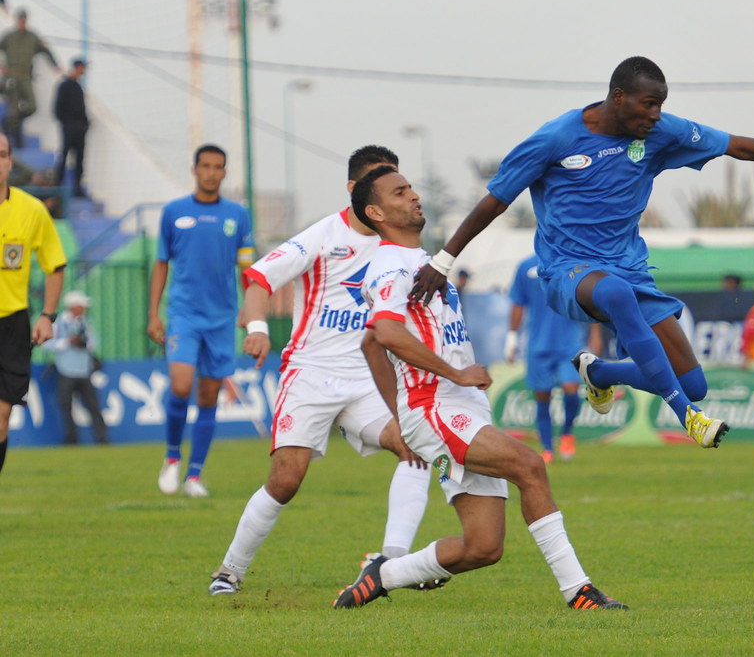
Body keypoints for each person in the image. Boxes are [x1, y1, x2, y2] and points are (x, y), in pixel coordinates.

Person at [410, 56, 754, 449]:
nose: (656, 114)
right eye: (649, 103)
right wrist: (443, 261)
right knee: (616, 297)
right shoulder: (556, 138)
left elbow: (738, 146)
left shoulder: (659, 133)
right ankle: (689, 418)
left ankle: (603, 373)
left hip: (631, 270)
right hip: (566, 270)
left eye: (661, 105)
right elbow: (495, 200)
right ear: (619, 98)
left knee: (694, 379)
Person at [334, 166, 624, 611]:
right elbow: (386, 333)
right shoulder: (389, 265)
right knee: (530, 465)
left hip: (457, 408)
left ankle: (383, 574)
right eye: (400, 192)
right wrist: (445, 384)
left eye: (412, 187)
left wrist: (402, 415)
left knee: (483, 547)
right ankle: (579, 592)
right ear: (375, 211)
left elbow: (371, 342)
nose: (414, 196)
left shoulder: (422, 261)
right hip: (438, 406)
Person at [208, 145, 437, 596]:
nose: (396, 195)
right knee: (286, 479)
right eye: (382, 184)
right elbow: (258, 279)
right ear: (357, 191)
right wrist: (255, 327)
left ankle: (389, 563)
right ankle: (229, 571)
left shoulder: (403, 247)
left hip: (367, 379)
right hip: (310, 374)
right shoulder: (323, 235)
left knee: (416, 446)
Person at [147, 144, 254, 498]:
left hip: (222, 318)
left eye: (218, 167)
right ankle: (173, 457)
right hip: (184, 314)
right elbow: (161, 262)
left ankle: (194, 476)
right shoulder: (174, 212)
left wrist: (249, 308)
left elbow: (247, 267)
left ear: (225, 173)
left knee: (209, 395)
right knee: (180, 385)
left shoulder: (237, 216)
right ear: (194, 170)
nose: (211, 172)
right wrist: (153, 314)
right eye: (205, 166)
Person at [0, 131, 66, 475]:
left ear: (10, 162)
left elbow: (54, 265)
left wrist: (47, 316)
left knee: (1, 419)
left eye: (1, 154)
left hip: (12, 325)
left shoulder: (31, 210)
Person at [506, 253, 600, 462]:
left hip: (570, 342)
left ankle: (566, 434)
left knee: (571, 389)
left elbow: (589, 299)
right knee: (542, 396)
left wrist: (595, 332)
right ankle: (547, 447)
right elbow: (518, 303)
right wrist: (511, 338)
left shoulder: (575, 263)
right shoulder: (526, 266)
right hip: (538, 344)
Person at [43, 289, 108, 444]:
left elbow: (94, 343)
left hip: (84, 370)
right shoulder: (59, 323)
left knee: (93, 406)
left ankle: (102, 438)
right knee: (66, 406)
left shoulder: (85, 323)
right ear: (73, 306)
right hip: (66, 370)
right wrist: (68, 342)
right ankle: (71, 439)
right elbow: (47, 345)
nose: (84, 308)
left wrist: (83, 343)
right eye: (81, 305)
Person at [0, 9, 60, 148]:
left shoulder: (33, 37)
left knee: (32, 107)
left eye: (24, 19)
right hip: (12, 76)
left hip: (26, 76)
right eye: (20, 19)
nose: (22, 22)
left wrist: (55, 65)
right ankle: (13, 139)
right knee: (14, 107)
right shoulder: (9, 37)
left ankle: (10, 121)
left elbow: (45, 51)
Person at [53, 58, 88, 198]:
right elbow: (57, 109)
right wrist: (67, 123)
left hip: (79, 128)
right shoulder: (65, 85)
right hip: (69, 127)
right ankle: (57, 185)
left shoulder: (78, 87)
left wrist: (84, 124)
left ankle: (77, 188)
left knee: (79, 158)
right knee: (64, 155)